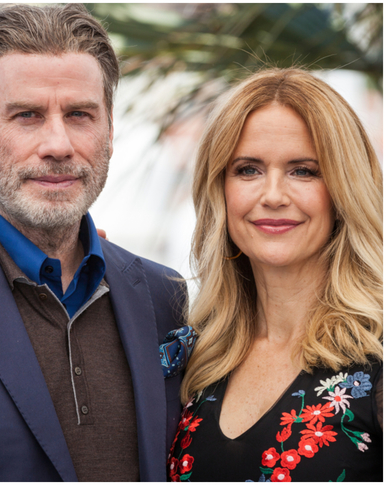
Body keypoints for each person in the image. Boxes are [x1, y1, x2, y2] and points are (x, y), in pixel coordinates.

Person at [0, 4, 188, 481]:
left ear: (109, 127)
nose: (58, 144)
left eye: (80, 114)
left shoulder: (163, 296)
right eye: (28, 115)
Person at [169, 68, 383, 481]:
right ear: (220, 190)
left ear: (344, 189)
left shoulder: (378, 359)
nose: (272, 196)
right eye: (248, 169)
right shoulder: (195, 356)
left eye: (303, 170)